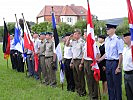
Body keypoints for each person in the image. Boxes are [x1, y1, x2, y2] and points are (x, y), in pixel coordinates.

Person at [98, 24, 124, 100]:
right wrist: (99, 59)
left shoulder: (118, 40)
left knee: (116, 84)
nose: (107, 30)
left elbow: (120, 54)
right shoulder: (107, 40)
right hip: (108, 62)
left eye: (108, 29)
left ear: (113, 29)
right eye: (106, 29)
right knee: (110, 84)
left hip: (115, 63)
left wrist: (119, 67)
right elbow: (106, 53)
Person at [80, 29, 100, 100]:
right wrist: (81, 63)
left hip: (91, 62)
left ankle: (95, 95)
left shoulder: (93, 43)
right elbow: (84, 54)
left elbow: (98, 54)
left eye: (85, 34)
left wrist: (95, 64)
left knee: (93, 79)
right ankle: (90, 94)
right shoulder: (85, 43)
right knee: (88, 79)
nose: (83, 35)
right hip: (85, 62)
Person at [66, 29, 86, 96]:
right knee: (75, 77)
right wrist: (69, 38)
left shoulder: (82, 42)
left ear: (79, 34)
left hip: (79, 60)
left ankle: (83, 91)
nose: (74, 35)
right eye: (74, 34)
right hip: (74, 60)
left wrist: (81, 63)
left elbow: (84, 53)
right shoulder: (73, 42)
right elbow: (67, 45)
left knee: (80, 77)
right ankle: (78, 90)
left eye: (75, 34)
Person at [122, 32, 133, 100]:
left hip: (132, 74)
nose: (124, 39)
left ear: (130, 38)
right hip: (126, 74)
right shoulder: (125, 48)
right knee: (128, 94)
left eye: (125, 38)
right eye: (123, 38)